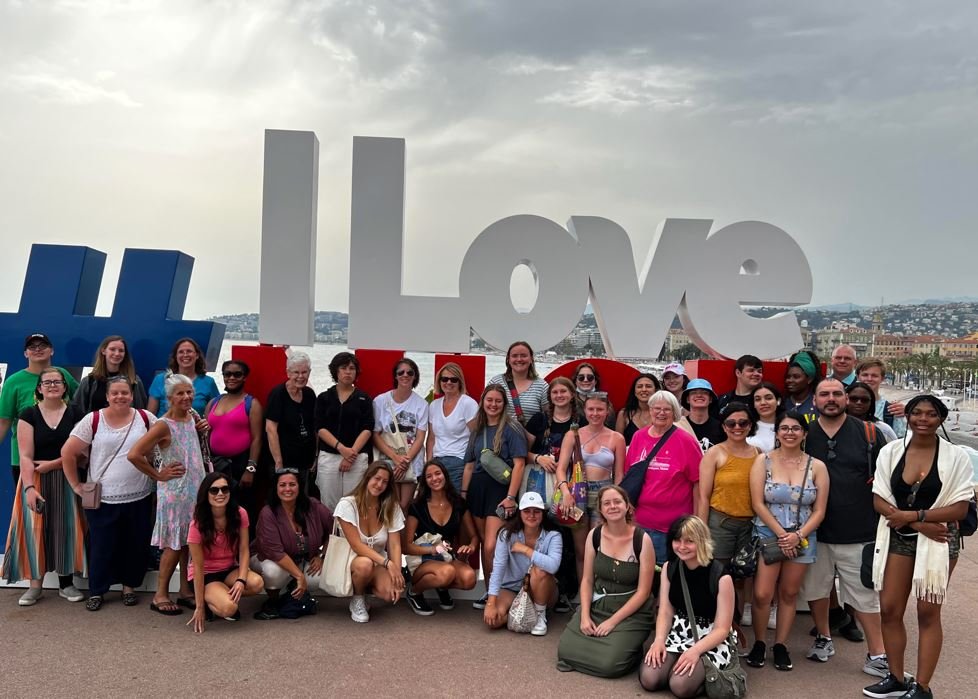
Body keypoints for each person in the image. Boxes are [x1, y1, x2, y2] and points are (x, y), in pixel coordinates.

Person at [864, 395, 974, 699]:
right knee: (889, 609)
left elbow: (960, 509)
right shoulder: (891, 451)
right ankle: (896, 678)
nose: (922, 419)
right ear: (908, 416)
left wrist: (914, 517)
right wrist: (914, 523)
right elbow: (879, 498)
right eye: (916, 413)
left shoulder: (956, 457)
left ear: (941, 419)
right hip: (900, 536)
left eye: (930, 414)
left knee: (928, 612)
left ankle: (922, 687)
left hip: (940, 538)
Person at [803, 378, 889, 676]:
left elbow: (887, 478)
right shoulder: (802, 434)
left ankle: (877, 654)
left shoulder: (869, 433)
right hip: (815, 531)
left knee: (865, 595)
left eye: (837, 394)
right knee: (817, 590)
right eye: (824, 394)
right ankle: (824, 637)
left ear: (846, 398)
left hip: (859, 529)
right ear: (814, 400)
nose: (831, 399)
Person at [61, 376, 157, 611]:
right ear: (107, 396)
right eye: (115, 393)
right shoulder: (93, 419)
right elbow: (68, 452)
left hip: (140, 494)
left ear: (132, 395)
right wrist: (76, 485)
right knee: (102, 545)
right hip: (103, 497)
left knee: (135, 543)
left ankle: (129, 587)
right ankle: (97, 590)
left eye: (124, 392)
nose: (120, 397)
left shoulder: (145, 418)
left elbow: (166, 440)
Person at [746, 411, 829, 672]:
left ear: (804, 434)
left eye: (795, 428)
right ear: (777, 432)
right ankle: (759, 641)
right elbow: (757, 502)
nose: (789, 433)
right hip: (769, 533)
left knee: (789, 593)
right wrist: (782, 535)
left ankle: (780, 644)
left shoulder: (817, 466)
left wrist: (798, 535)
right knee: (762, 594)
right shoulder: (763, 461)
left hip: (803, 535)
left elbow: (819, 510)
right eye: (784, 428)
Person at [3, 368, 86, 605]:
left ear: (64, 387)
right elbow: (25, 456)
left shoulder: (76, 413)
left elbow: (82, 452)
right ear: (39, 388)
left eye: (57, 382)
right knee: (33, 530)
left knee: (65, 529)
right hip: (35, 479)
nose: (52, 385)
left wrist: (54, 464)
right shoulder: (27, 415)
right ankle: (34, 586)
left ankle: (66, 584)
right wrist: (29, 488)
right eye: (46, 382)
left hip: (68, 478)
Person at [130, 373, 210, 615]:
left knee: (189, 542)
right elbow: (134, 454)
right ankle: (160, 594)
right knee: (173, 545)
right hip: (175, 493)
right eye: (180, 393)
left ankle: (185, 590)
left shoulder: (191, 417)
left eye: (189, 392)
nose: (186, 397)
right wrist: (158, 475)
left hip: (194, 490)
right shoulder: (163, 425)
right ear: (169, 398)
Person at [557, 485, 656, 677]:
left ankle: (633, 654)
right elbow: (586, 580)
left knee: (610, 665)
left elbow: (643, 592)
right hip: (599, 604)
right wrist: (585, 615)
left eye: (617, 502)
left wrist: (612, 622)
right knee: (565, 652)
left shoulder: (642, 540)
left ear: (627, 506)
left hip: (630, 610)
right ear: (601, 509)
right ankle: (608, 645)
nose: (613, 506)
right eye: (607, 503)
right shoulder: (594, 535)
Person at [639, 515, 737, 697]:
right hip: (679, 632)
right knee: (649, 678)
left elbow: (722, 628)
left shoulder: (721, 576)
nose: (682, 547)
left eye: (689, 541)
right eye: (677, 540)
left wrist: (695, 651)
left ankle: (706, 679)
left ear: (701, 541)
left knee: (680, 686)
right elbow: (666, 611)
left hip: (710, 638)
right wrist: (659, 639)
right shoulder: (670, 567)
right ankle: (680, 669)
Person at [461, 384, 528, 610]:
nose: (493, 404)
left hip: (499, 492)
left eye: (498, 401)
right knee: (481, 544)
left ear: (504, 404)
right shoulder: (477, 429)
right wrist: (463, 494)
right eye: (489, 400)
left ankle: (495, 592)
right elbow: (470, 465)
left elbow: (519, 464)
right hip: (477, 490)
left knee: (491, 546)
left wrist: (511, 496)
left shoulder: (512, 428)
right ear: (483, 402)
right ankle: (490, 593)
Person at [624, 391, 703, 564]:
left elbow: (699, 484)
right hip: (639, 523)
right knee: (639, 572)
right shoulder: (638, 437)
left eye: (667, 409)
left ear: (675, 413)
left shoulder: (686, 441)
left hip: (671, 527)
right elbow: (629, 478)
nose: (661, 413)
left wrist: (697, 522)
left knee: (664, 574)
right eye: (657, 408)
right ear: (650, 410)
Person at [556, 393, 626, 584]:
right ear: (584, 411)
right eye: (591, 409)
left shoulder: (617, 438)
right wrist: (565, 493)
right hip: (577, 493)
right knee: (581, 550)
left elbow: (619, 475)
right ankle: (583, 593)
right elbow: (561, 469)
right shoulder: (573, 434)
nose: (595, 413)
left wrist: (617, 501)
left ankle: (599, 591)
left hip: (604, 492)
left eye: (600, 409)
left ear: (607, 411)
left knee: (598, 546)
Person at [525, 376, 580, 613]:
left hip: (571, 486)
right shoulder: (539, 420)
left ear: (571, 395)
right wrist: (538, 457)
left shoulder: (581, 421)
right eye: (555, 392)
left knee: (568, 535)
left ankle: (566, 591)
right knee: (544, 531)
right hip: (539, 484)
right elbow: (522, 451)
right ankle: (539, 586)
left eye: (563, 392)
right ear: (550, 396)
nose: (559, 396)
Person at [251, 468, 334, 620]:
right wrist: (299, 576)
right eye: (282, 485)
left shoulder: (313, 506)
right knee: (274, 572)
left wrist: (322, 555)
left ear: (300, 487)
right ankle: (275, 600)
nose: (287, 489)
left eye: (292, 484)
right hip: (269, 559)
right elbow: (275, 552)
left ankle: (291, 593)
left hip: (303, 559)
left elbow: (334, 531)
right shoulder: (268, 512)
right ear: (276, 488)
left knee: (319, 577)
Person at [186, 472, 264, 632]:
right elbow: (198, 567)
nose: (220, 494)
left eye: (224, 489)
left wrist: (241, 580)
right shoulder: (197, 524)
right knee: (229, 608)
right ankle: (209, 600)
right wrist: (199, 607)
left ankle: (220, 594)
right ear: (205, 494)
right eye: (214, 490)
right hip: (206, 575)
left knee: (257, 583)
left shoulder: (239, 513)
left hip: (229, 569)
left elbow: (243, 549)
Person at [0, 333, 78, 484]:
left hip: (62, 458)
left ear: (52, 350)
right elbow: (3, 421)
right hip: (26, 461)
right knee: (32, 506)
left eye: (42, 346)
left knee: (65, 506)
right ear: (25, 353)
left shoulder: (64, 375)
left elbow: (81, 405)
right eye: (32, 347)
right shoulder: (14, 382)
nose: (37, 349)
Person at [403, 460, 478, 615]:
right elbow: (406, 546)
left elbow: (474, 537)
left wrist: (470, 547)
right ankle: (413, 592)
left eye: (438, 473)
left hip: (446, 559)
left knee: (469, 578)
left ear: (445, 475)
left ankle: (441, 586)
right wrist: (433, 549)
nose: (434, 478)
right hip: (422, 560)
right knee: (447, 572)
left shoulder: (458, 503)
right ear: (425, 481)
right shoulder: (417, 506)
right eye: (429, 476)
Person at [335, 462, 407, 623]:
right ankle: (358, 598)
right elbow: (356, 545)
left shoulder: (391, 507)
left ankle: (365, 586)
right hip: (352, 560)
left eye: (385, 481)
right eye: (377, 478)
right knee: (365, 564)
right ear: (367, 478)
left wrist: (397, 574)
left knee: (390, 594)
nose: (379, 484)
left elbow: (395, 545)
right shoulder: (348, 504)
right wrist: (388, 564)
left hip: (379, 562)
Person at [483, 491, 562, 636]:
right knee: (494, 620)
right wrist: (491, 602)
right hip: (511, 589)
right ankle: (521, 618)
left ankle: (539, 616)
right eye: (527, 511)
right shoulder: (506, 534)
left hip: (541, 590)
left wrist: (526, 550)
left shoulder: (553, 535)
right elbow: (498, 568)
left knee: (541, 570)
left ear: (542, 513)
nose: (531, 515)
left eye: (536, 511)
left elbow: (553, 566)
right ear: (520, 513)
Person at [696, 402, 758, 565]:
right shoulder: (714, 453)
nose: (737, 427)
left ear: (750, 425)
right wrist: (702, 533)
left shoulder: (759, 454)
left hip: (750, 525)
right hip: (720, 524)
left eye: (743, 423)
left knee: (746, 576)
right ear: (724, 427)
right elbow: (703, 496)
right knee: (718, 573)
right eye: (731, 423)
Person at [315, 351, 374, 509]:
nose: (348, 372)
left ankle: (350, 534)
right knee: (328, 503)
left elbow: (367, 428)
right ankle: (329, 534)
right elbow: (320, 428)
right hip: (329, 455)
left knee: (353, 504)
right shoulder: (324, 398)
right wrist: (341, 449)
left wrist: (351, 454)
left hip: (357, 457)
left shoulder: (364, 399)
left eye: (352, 368)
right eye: (343, 368)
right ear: (336, 371)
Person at [206, 360, 264, 520]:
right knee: (215, 509)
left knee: (240, 510)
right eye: (227, 374)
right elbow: (205, 435)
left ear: (244, 377)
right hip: (216, 464)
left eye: (237, 374)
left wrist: (250, 469)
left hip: (239, 466)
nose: (232, 378)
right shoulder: (213, 402)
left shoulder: (252, 404)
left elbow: (257, 439)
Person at [373, 357, 429, 510]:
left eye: (410, 372)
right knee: (388, 505)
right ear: (395, 376)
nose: (405, 375)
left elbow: (420, 437)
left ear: (415, 376)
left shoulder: (422, 404)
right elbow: (376, 434)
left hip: (410, 461)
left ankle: (402, 535)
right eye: (401, 372)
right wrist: (395, 458)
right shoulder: (380, 401)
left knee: (404, 506)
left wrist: (405, 461)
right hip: (387, 459)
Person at [265, 351, 318, 490]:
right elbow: (271, 429)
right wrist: (278, 462)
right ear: (288, 373)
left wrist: (316, 455)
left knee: (303, 499)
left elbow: (314, 427)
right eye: (296, 372)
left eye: (304, 372)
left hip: (305, 461)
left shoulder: (309, 395)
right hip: (284, 460)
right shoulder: (278, 394)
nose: (300, 376)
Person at [425, 362, 478, 492]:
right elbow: (431, 438)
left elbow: (476, 436)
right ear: (439, 381)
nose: (448, 382)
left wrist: (469, 465)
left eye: (453, 379)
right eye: (444, 379)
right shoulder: (434, 405)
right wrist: (429, 463)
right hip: (437, 463)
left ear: (460, 382)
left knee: (454, 505)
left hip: (458, 462)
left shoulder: (467, 404)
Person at [72, 335, 148, 412]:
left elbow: (141, 412)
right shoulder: (89, 381)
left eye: (121, 350)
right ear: (103, 351)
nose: (117, 353)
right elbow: (77, 410)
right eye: (112, 349)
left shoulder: (134, 380)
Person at [146, 337, 219, 416]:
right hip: (164, 427)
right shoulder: (160, 380)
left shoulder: (208, 382)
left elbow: (215, 415)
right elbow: (150, 415)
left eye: (189, 351)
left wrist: (205, 424)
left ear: (197, 355)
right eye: (181, 352)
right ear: (176, 356)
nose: (185, 355)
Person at [489, 340, 549, 426]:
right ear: (508, 360)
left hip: (529, 438)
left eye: (523, 355)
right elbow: (484, 411)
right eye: (514, 356)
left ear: (531, 359)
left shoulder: (542, 386)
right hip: (500, 437)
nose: (519, 359)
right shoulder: (496, 382)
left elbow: (550, 416)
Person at [856, 358, 907, 438]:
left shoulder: (891, 410)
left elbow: (899, 442)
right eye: (865, 375)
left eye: (874, 376)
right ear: (858, 376)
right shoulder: (846, 405)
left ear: (882, 378)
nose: (869, 379)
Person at [680, 378, 726, 452]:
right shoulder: (678, 426)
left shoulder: (721, 428)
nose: (699, 395)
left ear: (710, 399)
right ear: (688, 399)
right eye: (694, 392)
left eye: (704, 392)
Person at [616, 373, 661, 446]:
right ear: (634, 392)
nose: (644, 389)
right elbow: (617, 444)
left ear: (656, 390)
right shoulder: (624, 414)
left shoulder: (662, 414)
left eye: (648, 386)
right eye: (639, 386)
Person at [783, 350, 821, 424]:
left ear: (809, 379)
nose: (790, 380)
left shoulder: (819, 404)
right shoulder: (781, 404)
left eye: (796, 377)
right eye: (788, 377)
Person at [573, 362, 615, 427]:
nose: (585, 380)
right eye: (581, 377)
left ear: (595, 381)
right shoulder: (570, 401)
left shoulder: (605, 401)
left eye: (590, 377)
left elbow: (610, 425)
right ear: (575, 381)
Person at [747, 382, 782, 453]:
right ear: (753, 404)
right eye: (757, 399)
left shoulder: (788, 426)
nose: (763, 403)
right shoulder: (746, 427)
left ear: (778, 401)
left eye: (768, 398)